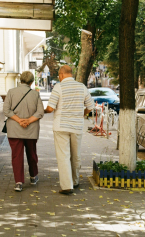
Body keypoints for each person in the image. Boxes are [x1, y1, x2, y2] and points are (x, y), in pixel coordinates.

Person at [44, 65, 94, 195]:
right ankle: (75, 181)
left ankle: (67, 186)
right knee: (76, 155)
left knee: (63, 156)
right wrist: (82, 114)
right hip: (77, 126)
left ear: (61, 74)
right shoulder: (82, 87)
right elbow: (90, 106)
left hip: (61, 126)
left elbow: (50, 108)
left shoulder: (58, 87)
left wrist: (43, 110)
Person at [3, 71, 45, 192]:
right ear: (32, 82)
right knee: (32, 153)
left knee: (17, 156)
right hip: (31, 130)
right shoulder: (35, 95)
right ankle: (33, 176)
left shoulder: (11, 92)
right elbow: (40, 112)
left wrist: (19, 121)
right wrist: (28, 121)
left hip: (15, 128)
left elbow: (6, 110)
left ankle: (19, 182)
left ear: (20, 80)